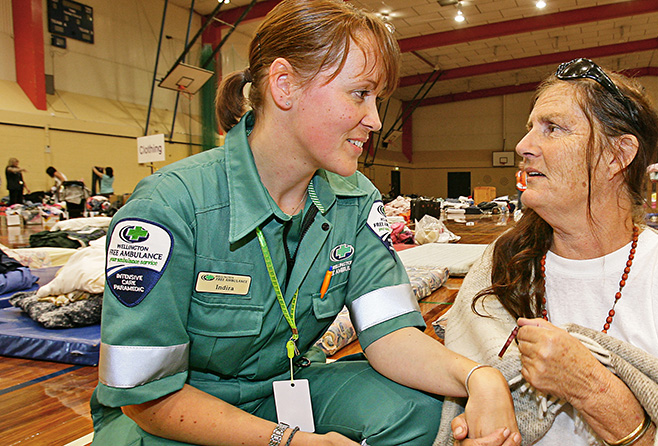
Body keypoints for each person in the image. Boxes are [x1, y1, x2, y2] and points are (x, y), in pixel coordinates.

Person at [89, 1, 520, 446]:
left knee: (425, 413)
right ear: (284, 85)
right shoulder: (169, 206)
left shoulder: (355, 201)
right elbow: (145, 398)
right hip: (179, 409)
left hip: (284, 386)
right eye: (359, 94)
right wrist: (289, 441)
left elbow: (391, 335)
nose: (374, 120)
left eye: (377, 100)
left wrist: (479, 377)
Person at [438, 59, 658, 445]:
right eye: (530, 129)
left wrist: (593, 389)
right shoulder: (498, 271)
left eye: (553, 128)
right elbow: (464, 399)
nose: (523, 146)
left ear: (618, 155)